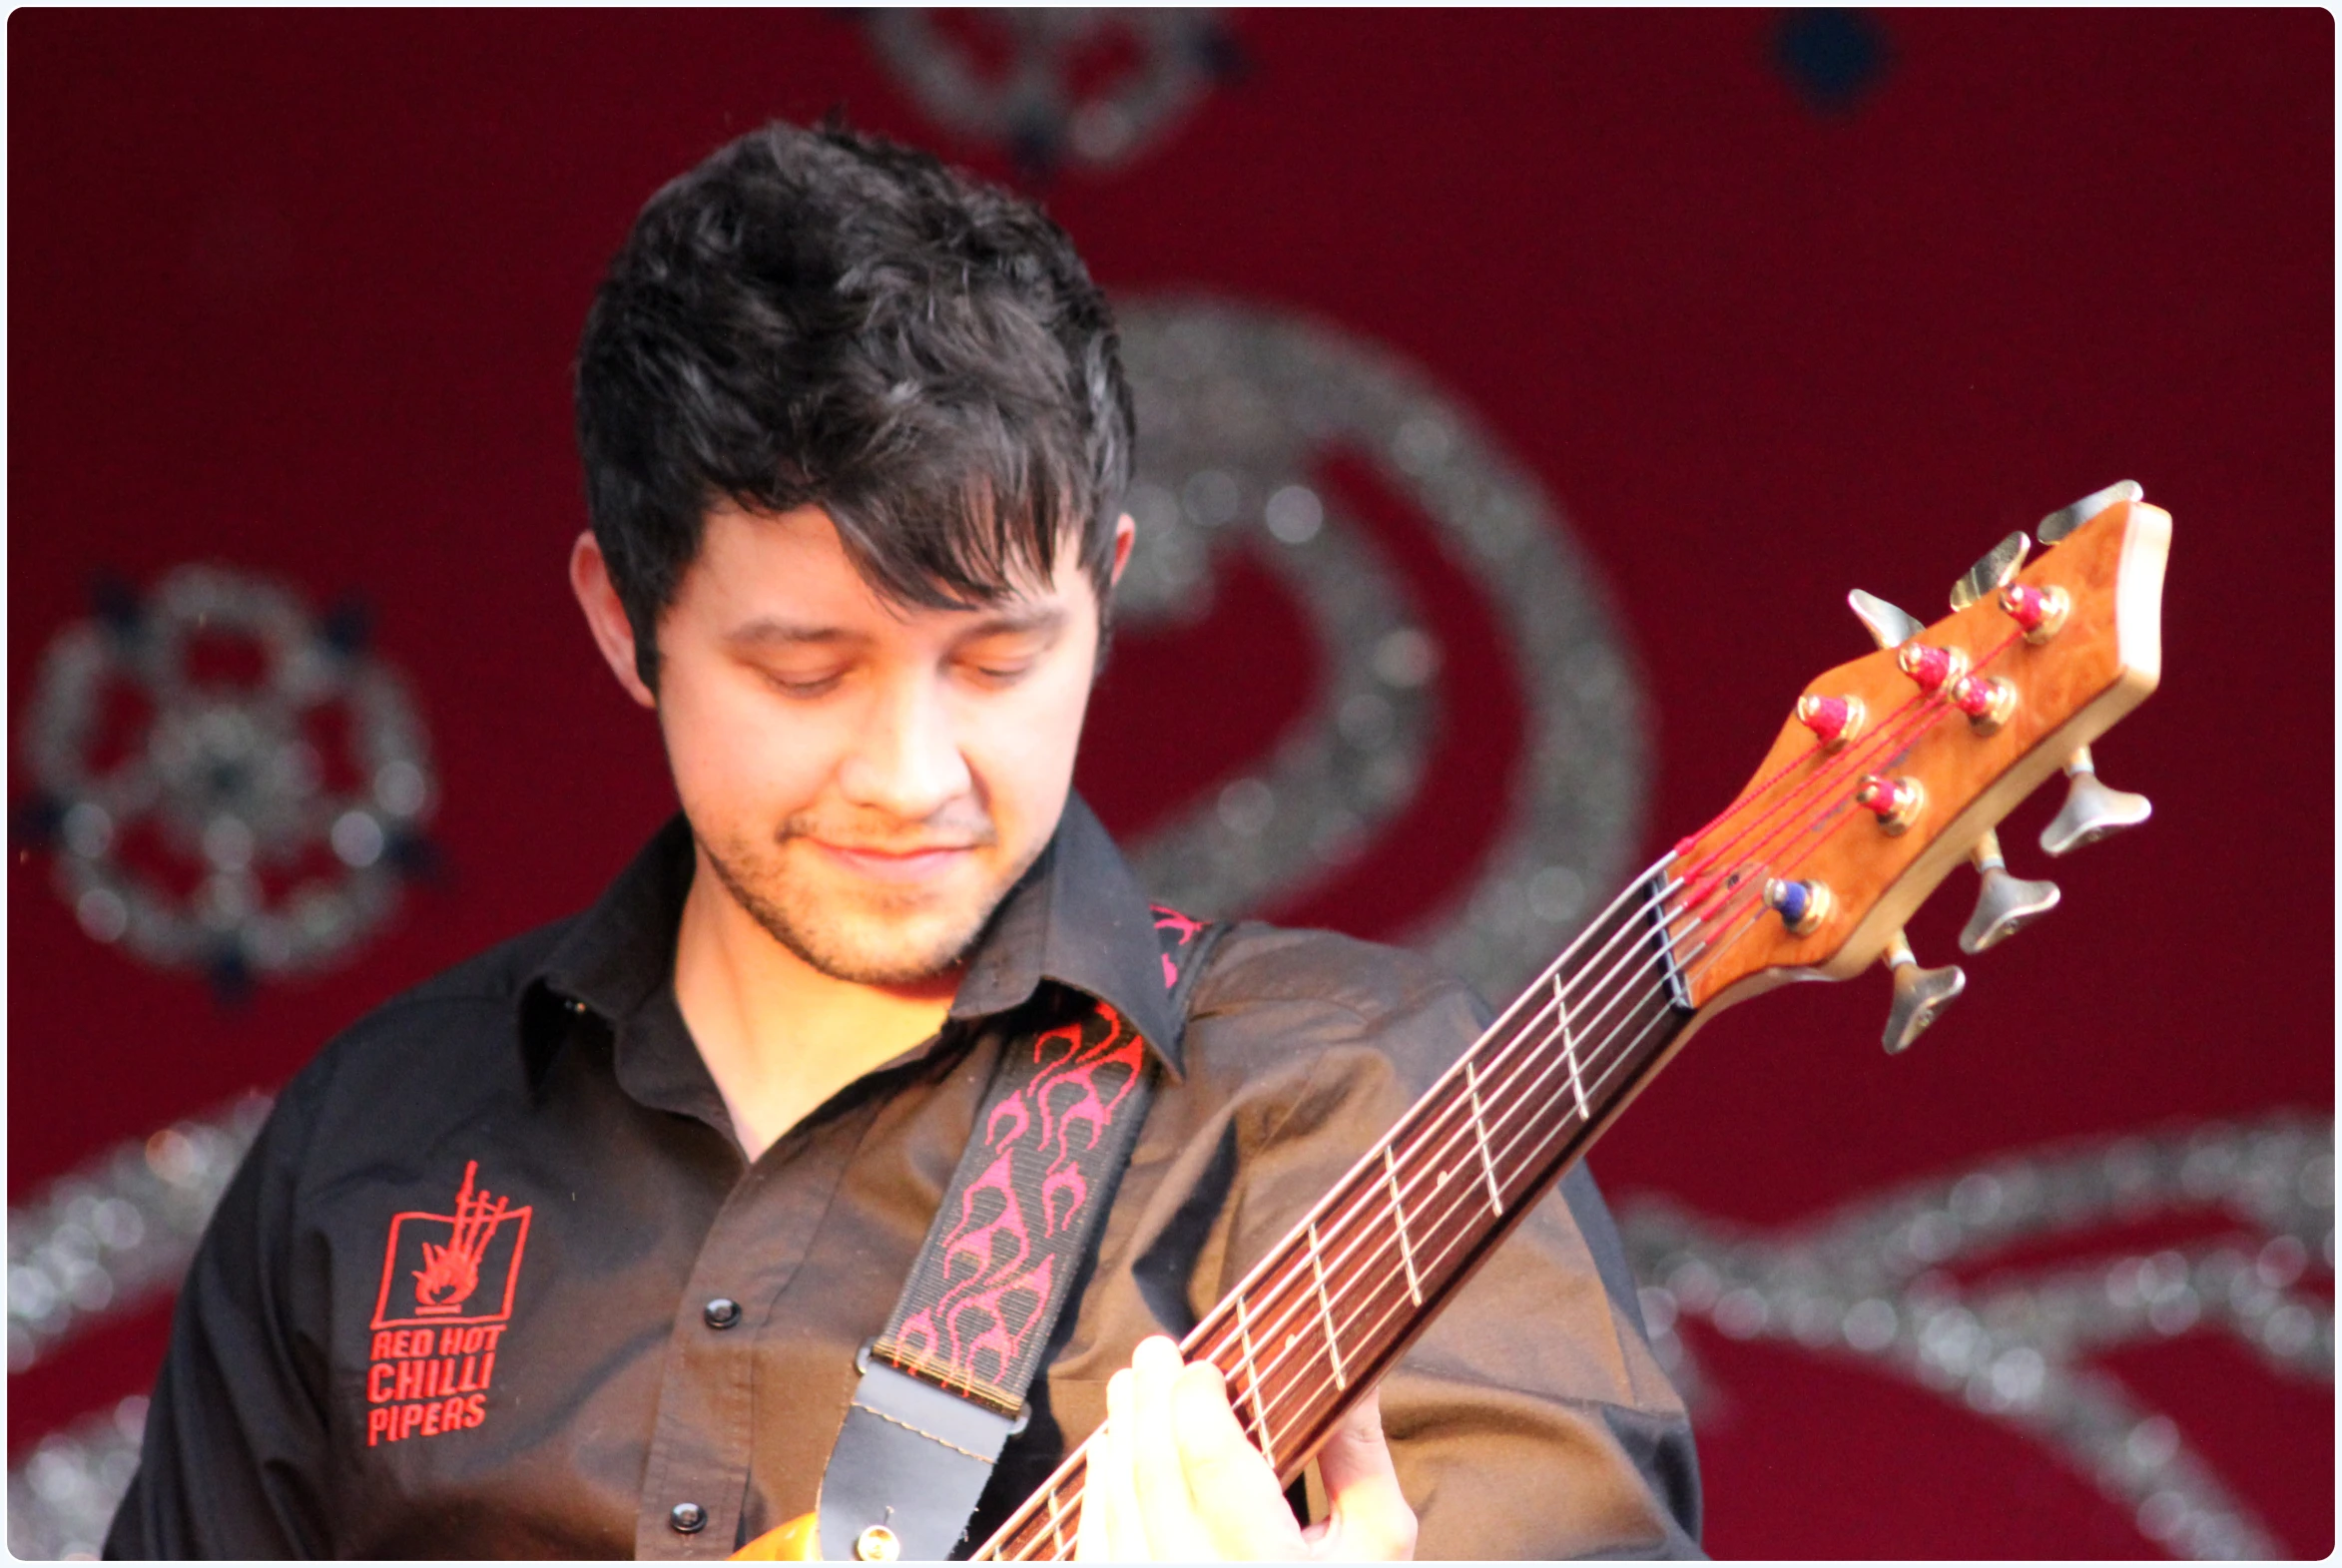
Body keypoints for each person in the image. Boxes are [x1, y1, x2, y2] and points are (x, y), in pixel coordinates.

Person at [105, 121, 1701, 1561]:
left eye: (999, 662)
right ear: (624, 621)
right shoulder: (374, 1139)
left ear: (1109, 585)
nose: (911, 772)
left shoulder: (1361, 1107)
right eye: (804, 671)